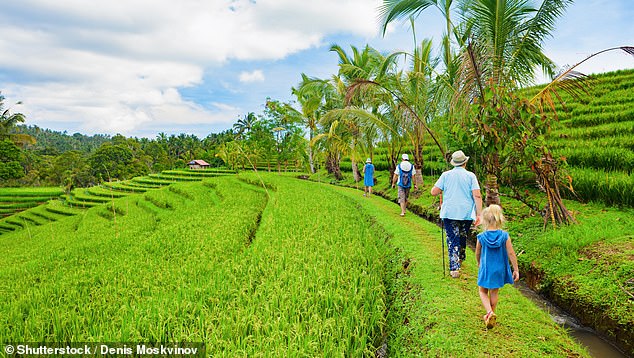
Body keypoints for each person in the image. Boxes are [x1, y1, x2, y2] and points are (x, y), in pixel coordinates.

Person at [430, 150, 482, 278]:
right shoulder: (471, 176)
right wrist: (479, 214)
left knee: (453, 238)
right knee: (463, 235)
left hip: (449, 212)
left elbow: (434, 192)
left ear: (454, 163)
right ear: (465, 162)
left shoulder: (446, 175)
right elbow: (477, 195)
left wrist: (442, 188)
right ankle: (460, 258)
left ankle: (454, 268)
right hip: (466, 213)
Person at [475, 204, 520, 328]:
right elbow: (511, 253)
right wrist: (515, 269)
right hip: (500, 269)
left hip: (486, 268)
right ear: (500, 219)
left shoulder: (481, 237)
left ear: (484, 220)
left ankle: (489, 313)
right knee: (494, 292)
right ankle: (491, 314)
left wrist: (479, 263)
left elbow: (477, 252)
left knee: (482, 290)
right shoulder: (504, 236)